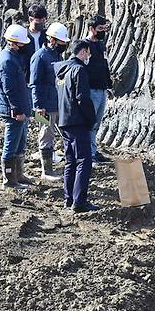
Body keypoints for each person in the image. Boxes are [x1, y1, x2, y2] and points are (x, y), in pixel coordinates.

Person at [55, 40, 99, 213]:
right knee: (84, 161)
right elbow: (82, 98)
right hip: (77, 121)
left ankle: (68, 199)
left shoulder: (62, 70)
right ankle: (79, 202)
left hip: (64, 120)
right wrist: (91, 119)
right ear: (82, 52)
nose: (88, 57)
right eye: (87, 53)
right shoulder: (79, 70)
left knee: (70, 161)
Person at [0, 24, 34, 190]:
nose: (25, 46)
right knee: (11, 144)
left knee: (20, 142)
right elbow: (10, 89)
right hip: (11, 111)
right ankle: (9, 179)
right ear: (14, 43)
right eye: (23, 43)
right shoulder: (7, 61)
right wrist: (17, 110)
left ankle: (18, 174)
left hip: (17, 109)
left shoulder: (13, 57)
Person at [30, 22, 70, 182]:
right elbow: (35, 84)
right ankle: (46, 170)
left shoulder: (57, 56)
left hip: (58, 103)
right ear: (52, 40)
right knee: (46, 134)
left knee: (61, 133)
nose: (64, 45)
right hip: (44, 106)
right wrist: (38, 106)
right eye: (61, 42)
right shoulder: (39, 57)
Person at [85, 15, 114, 165]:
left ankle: (93, 150)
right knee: (89, 123)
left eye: (104, 28)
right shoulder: (84, 45)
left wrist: (108, 85)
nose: (102, 31)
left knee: (96, 123)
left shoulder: (101, 45)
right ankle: (89, 154)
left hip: (101, 89)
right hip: (90, 90)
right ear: (91, 29)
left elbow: (105, 65)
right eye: (100, 29)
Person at [21, 4, 48, 80]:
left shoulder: (46, 35)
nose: (42, 23)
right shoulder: (23, 36)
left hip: (43, 77)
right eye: (39, 21)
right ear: (30, 19)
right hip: (27, 77)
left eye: (44, 20)